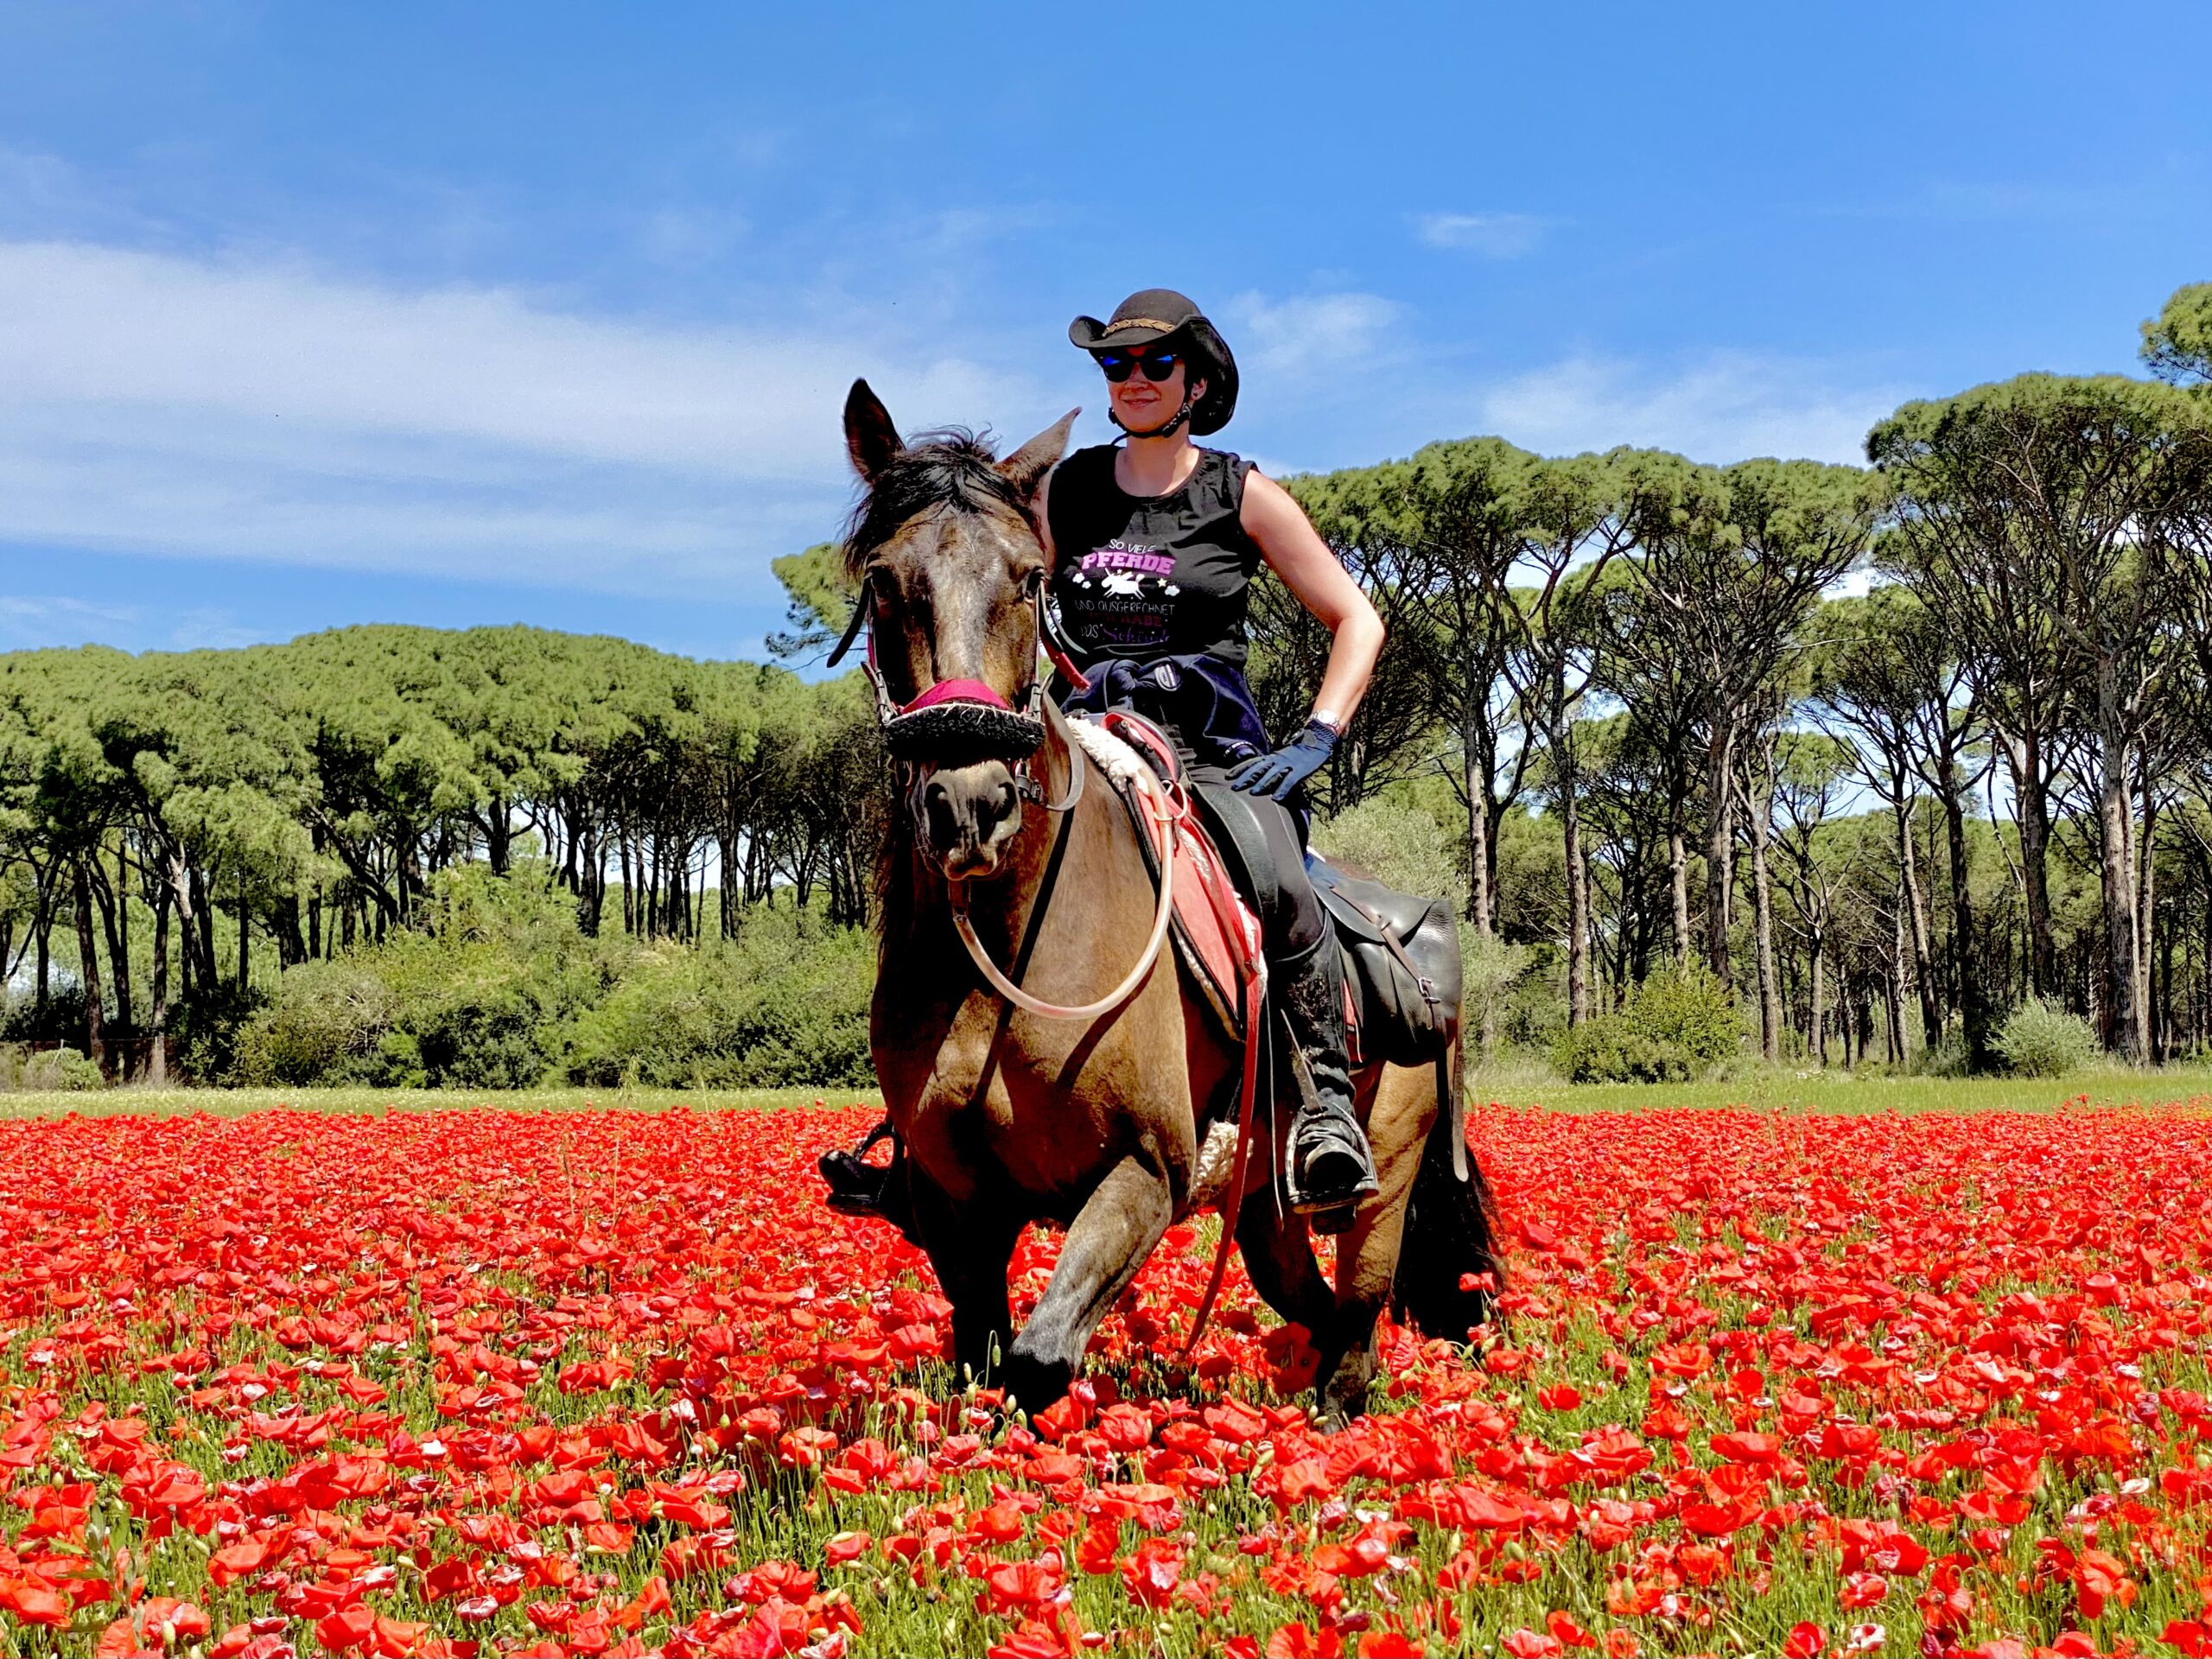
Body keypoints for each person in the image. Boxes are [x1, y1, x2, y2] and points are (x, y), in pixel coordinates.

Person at [823, 287, 1383, 1225]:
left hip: (1209, 748)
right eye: (1115, 365)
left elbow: (1355, 618)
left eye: (1153, 363)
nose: (1131, 380)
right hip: (1081, 729)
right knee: (946, 878)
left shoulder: (1239, 492)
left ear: (1195, 381)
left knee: (1277, 871)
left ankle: (1323, 1106)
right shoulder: (1066, 489)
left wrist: (1317, 737)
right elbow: (980, 571)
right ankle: (925, 1136)